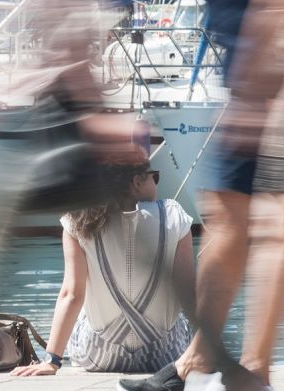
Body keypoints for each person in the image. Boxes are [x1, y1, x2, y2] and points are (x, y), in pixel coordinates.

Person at [118, 0, 284, 391]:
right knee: (226, 214)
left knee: (277, 220)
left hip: (275, 65)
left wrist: (263, 73)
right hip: (251, 73)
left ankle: (250, 373)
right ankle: (205, 358)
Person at [10, 160, 194, 377]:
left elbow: (72, 295)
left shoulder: (78, 220)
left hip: (98, 356)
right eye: (155, 177)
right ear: (137, 182)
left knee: (85, 303)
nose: (156, 183)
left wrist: (51, 361)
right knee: (178, 317)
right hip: (164, 355)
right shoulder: (175, 216)